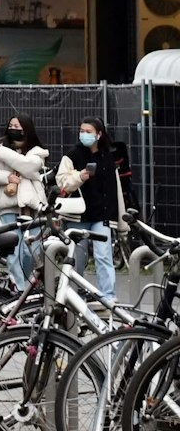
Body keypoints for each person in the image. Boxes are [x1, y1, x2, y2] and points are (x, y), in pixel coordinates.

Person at [58, 116, 135, 303]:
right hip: (78, 215)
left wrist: (120, 218)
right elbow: (62, 182)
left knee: (104, 255)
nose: (84, 134)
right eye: (82, 131)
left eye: (88, 131)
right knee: (78, 258)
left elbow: (114, 188)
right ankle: (75, 295)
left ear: (99, 134)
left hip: (103, 215)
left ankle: (107, 296)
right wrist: (80, 177)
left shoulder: (107, 157)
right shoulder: (72, 155)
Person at [0, 113, 47, 292]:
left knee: (32, 250)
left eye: (18, 127)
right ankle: (20, 288)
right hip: (7, 207)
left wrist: (3, 153)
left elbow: (29, 166)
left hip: (32, 208)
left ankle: (24, 281)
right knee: (13, 251)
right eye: (11, 126)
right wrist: (5, 177)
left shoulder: (36, 152)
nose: (14, 130)